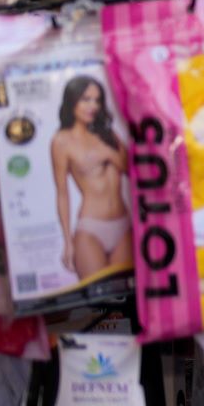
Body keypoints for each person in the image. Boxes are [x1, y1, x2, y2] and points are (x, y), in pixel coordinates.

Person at [51, 76, 130, 282]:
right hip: (91, 230)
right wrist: (67, 241)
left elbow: (131, 171)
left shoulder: (108, 134)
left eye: (97, 100)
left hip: (124, 225)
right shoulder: (62, 141)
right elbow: (62, 194)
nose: (92, 106)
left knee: (126, 296)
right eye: (86, 99)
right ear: (72, 101)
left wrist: (108, 153)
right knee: (99, 301)